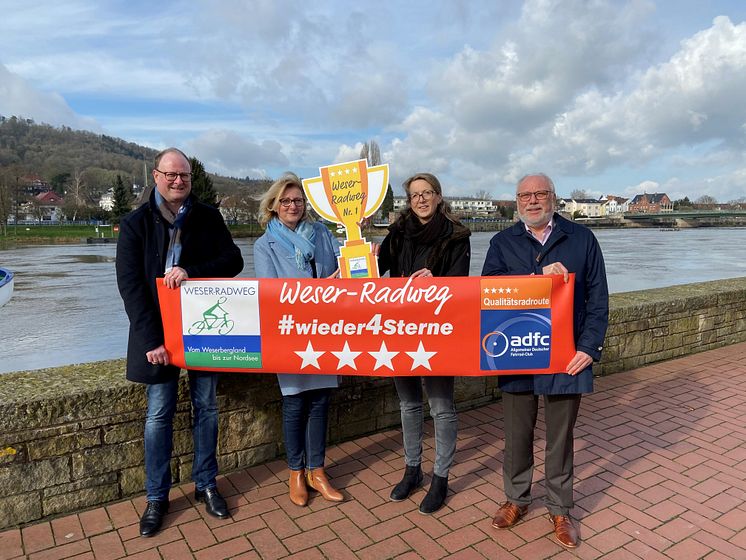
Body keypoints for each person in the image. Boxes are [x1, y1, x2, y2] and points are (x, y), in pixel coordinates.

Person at [116, 148, 244, 537]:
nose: (178, 182)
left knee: (206, 408)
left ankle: (206, 484)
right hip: (158, 339)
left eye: (184, 176)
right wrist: (152, 340)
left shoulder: (207, 216)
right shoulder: (135, 223)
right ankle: (157, 496)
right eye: (171, 175)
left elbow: (234, 261)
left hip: (204, 331)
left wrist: (191, 272)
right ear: (156, 176)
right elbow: (131, 287)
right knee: (158, 415)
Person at [481, 173, 608, 549]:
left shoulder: (582, 238)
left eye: (540, 193)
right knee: (517, 435)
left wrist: (589, 348)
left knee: (560, 438)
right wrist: (537, 277)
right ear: (516, 201)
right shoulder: (502, 242)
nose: (532, 200)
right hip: (518, 351)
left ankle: (559, 507)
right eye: (525, 195)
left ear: (554, 197)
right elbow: (489, 293)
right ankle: (516, 498)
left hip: (567, 354)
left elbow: (599, 300)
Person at [378, 172, 471, 514]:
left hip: (436, 331)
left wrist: (438, 279)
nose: (420, 199)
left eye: (427, 193)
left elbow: (461, 284)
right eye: (415, 194)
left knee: (441, 406)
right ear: (409, 199)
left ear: (438, 196)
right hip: (400, 328)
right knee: (408, 404)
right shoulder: (397, 233)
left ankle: (441, 477)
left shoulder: (457, 235)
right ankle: (412, 469)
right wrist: (361, 249)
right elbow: (375, 269)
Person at [253, 172, 345, 507]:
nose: (293, 205)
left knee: (320, 400)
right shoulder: (265, 245)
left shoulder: (321, 233)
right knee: (294, 403)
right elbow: (272, 293)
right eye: (286, 201)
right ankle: (295, 472)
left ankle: (317, 470)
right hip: (290, 332)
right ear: (274, 206)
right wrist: (320, 289)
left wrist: (362, 247)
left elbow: (344, 268)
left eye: (298, 200)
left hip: (325, 330)